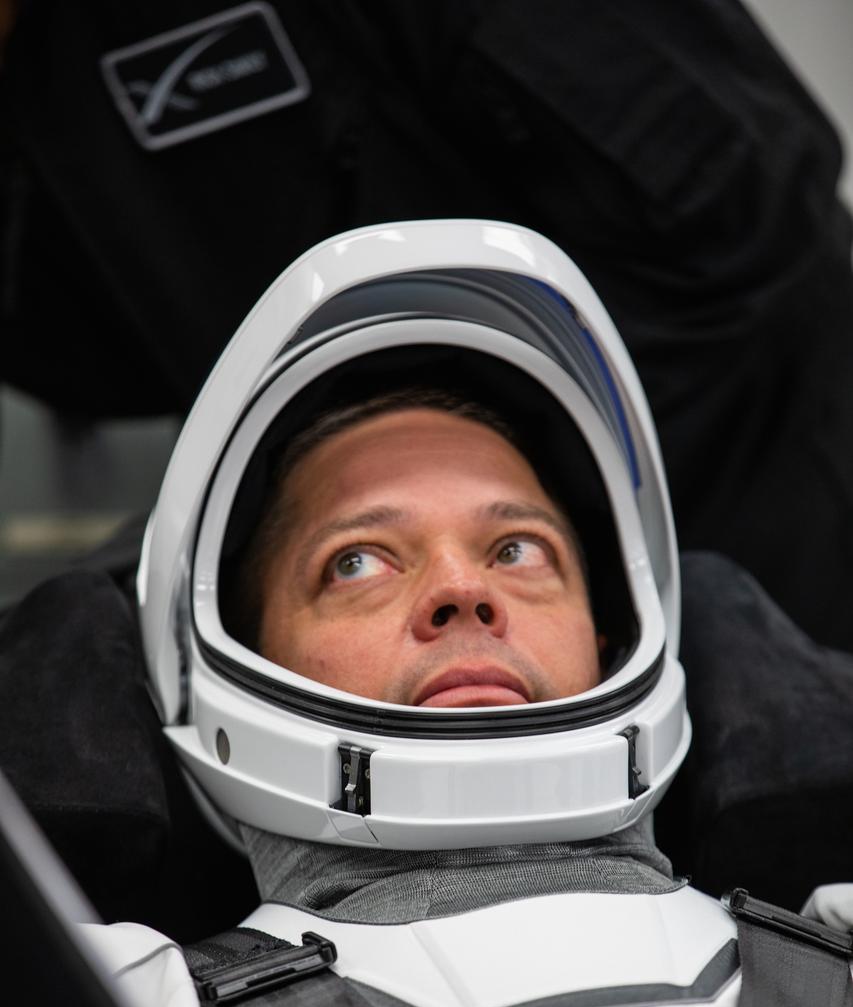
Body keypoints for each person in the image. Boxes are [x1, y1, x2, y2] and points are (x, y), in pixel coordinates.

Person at [3, 218, 853, 1007]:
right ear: (225, 656)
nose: (464, 589)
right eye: (356, 559)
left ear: (614, 626)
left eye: (516, 546)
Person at [2, 0, 853, 649]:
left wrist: (500, 488)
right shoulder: (49, 86)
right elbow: (123, 355)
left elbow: (745, 199)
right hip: (388, 607)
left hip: (765, 498)